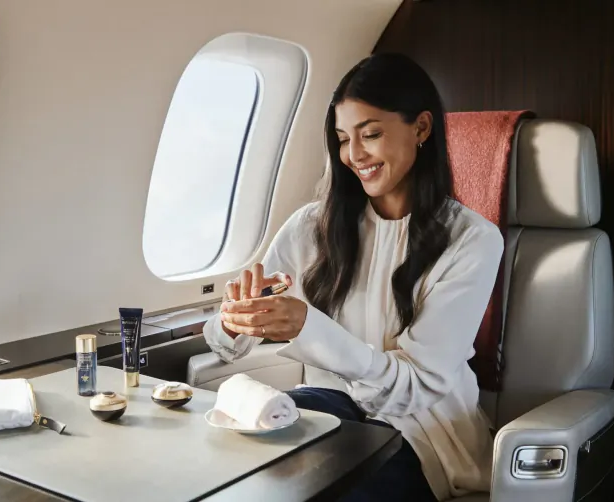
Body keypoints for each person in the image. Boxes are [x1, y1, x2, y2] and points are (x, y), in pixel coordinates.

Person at [202, 53, 503, 502]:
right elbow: (223, 342)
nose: (354, 155)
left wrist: (310, 327)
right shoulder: (311, 226)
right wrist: (235, 319)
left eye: (371, 134)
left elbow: (413, 392)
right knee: (229, 474)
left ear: (421, 129)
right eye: (343, 139)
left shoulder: (473, 241)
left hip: (424, 435)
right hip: (326, 413)